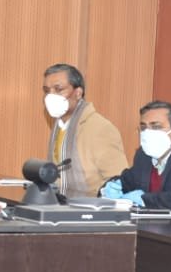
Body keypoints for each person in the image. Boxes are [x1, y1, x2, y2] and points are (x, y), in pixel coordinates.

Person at [41, 63, 126, 198]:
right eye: (47, 91)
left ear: (78, 93)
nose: (50, 96)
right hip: (61, 204)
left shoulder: (99, 128)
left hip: (91, 207)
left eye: (58, 89)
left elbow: (118, 181)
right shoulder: (59, 125)